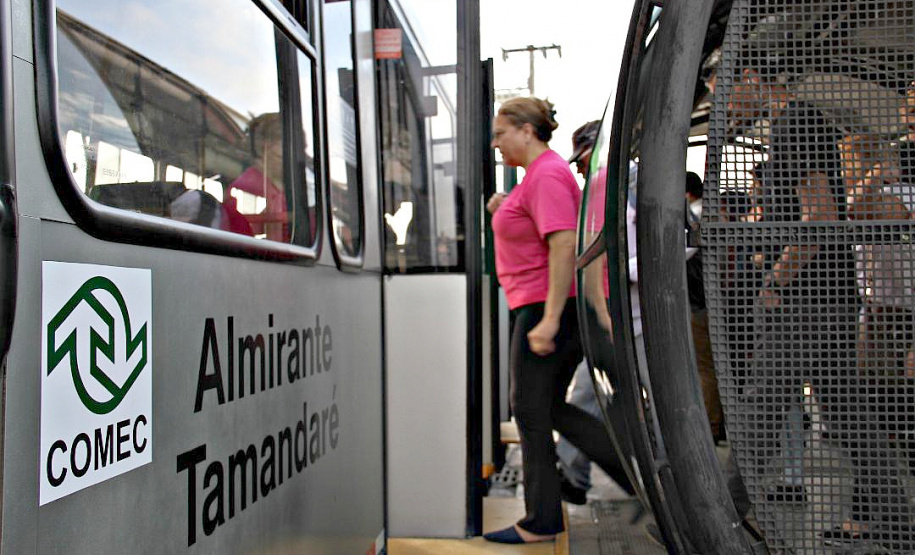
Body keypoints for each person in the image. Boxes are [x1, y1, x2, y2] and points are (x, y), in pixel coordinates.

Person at [482, 98, 631, 544]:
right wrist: (503, 209)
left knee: (530, 410)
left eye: (500, 133)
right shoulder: (541, 177)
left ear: (526, 130)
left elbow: (564, 245)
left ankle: (542, 519)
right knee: (544, 408)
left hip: (546, 306)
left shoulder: (546, 174)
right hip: (546, 303)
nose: (495, 143)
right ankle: (631, 476)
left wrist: (547, 320)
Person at [555, 121, 634, 505]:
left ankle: (575, 477)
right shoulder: (624, 182)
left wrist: (604, 312)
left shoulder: (612, 182)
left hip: (619, 317)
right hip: (623, 316)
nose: (578, 169)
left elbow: (597, 254)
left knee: (587, 398)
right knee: (619, 399)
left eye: (580, 159)